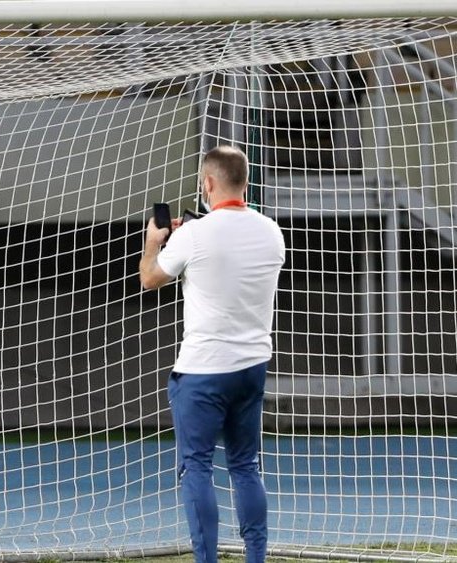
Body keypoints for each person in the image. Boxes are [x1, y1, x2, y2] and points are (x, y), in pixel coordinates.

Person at [138, 145, 285, 563]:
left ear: (207, 184)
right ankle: (256, 557)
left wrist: (156, 242)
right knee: (246, 466)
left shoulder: (193, 235)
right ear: (246, 182)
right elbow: (235, 250)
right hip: (252, 366)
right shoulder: (271, 231)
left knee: (196, 468)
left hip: (203, 371)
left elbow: (150, 278)